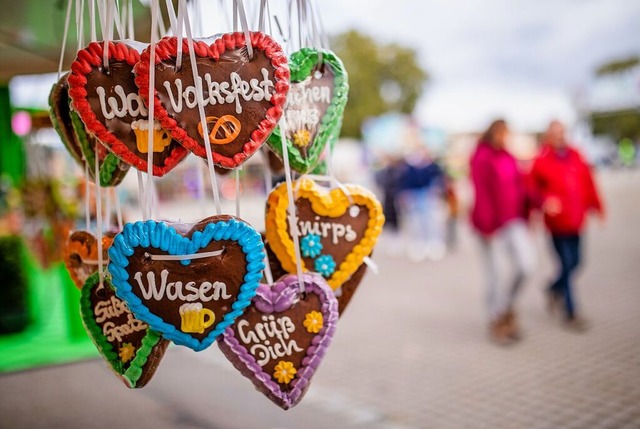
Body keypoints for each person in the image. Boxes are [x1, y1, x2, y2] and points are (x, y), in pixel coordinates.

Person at [530, 120, 605, 331]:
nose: (559, 137)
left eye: (562, 133)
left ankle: (553, 288)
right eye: (555, 133)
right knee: (566, 263)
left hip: (576, 219)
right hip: (557, 223)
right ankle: (571, 312)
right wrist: (544, 202)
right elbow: (532, 190)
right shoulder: (541, 160)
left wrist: (597, 207)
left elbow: (588, 182)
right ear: (548, 136)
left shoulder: (576, 155)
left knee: (577, 262)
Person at [470, 119, 536, 345]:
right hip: (491, 225)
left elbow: (519, 186)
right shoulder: (482, 156)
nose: (505, 138)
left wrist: (537, 202)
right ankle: (496, 318)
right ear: (494, 133)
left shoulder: (507, 156)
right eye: (503, 133)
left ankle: (507, 306)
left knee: (527, 265)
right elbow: (482, 193)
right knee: (495, 274)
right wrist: (487, 225)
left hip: (513, 220)